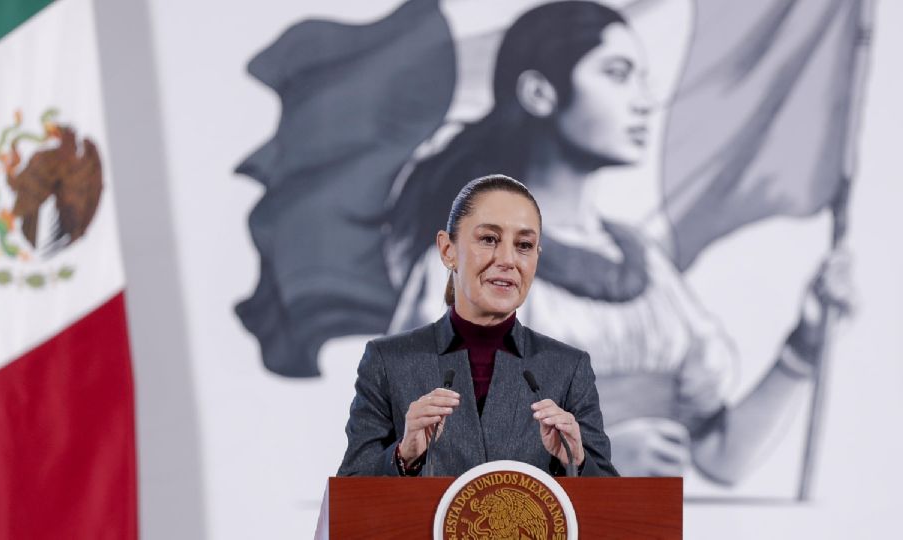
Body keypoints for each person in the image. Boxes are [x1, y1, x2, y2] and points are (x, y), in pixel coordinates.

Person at [385, 1, 852, 483]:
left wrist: (804, 345)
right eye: (617, 73)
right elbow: (422, 453)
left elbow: (720, 455)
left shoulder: (648, 270)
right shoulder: (472, 265)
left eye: (641, 77)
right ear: (540, 92)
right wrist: (584, 457)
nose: (644, 100)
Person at [338, 175, 618, 477]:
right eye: (488, 239)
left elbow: (610, 504)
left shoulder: (568, 368)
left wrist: (577, 462)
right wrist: (404, 456)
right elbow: (352, 493)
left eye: (524, 245)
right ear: (447, 250)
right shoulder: (388, 362)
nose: (508, 260)